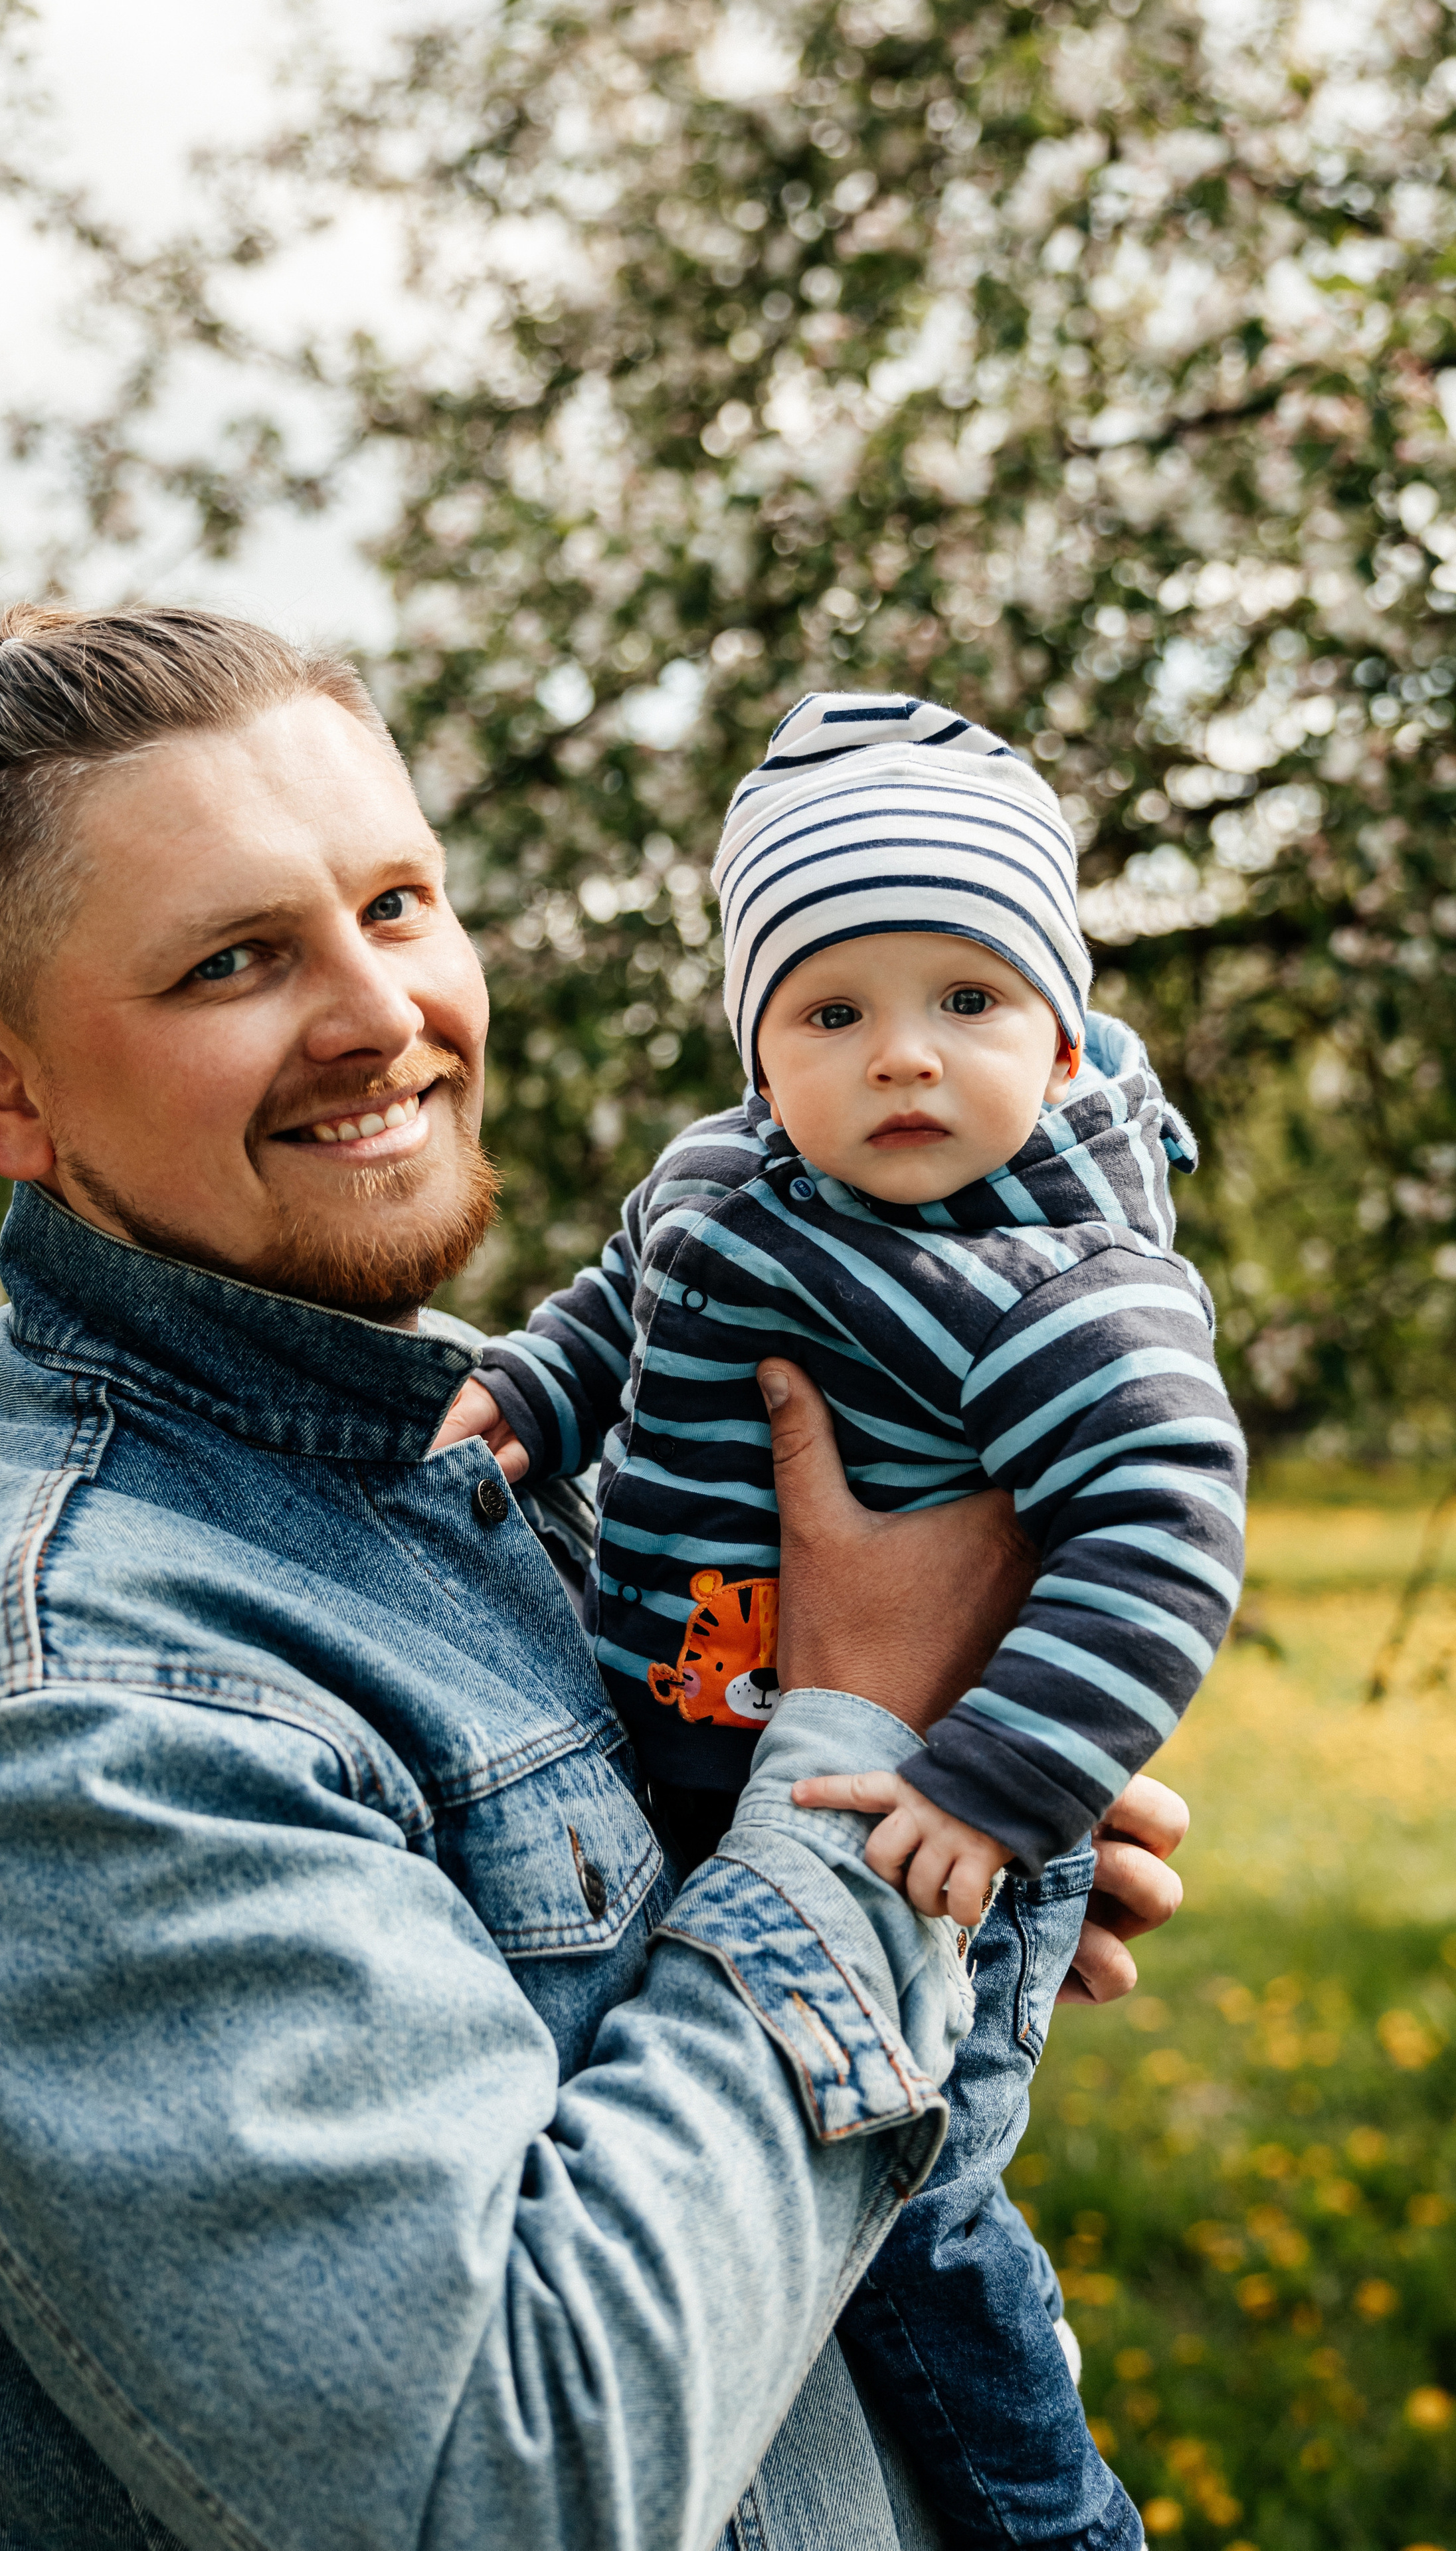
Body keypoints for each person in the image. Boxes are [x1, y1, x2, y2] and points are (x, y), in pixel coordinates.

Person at [0, 611, 1188, 2551]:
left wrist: (966, 1836)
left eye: (401, 902)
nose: (380, 1015)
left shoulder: (480, 1436)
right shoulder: (55, 1707)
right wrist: (865, 1763)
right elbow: (503, 2494)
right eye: (234, 960)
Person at [442, 692, 1245, 2549]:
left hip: (948, 1806)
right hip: (705, 1756)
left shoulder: (1051, 1283)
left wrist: (991, 1782)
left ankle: (1045, 2518)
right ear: (757, 1051)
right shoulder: (716, 1185)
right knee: (763, 2170)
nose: (903, 1058)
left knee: (914, 2200)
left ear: (1057, 1037)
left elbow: (1163, 1541)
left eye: (966, 1000)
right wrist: (528, 1398)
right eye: (834, 1011)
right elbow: (612, 1304)